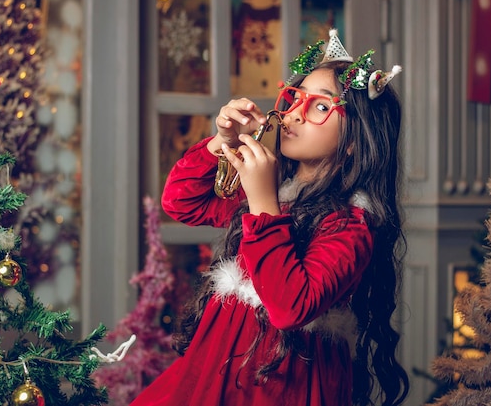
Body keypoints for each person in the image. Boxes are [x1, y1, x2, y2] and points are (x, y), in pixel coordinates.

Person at [130, 29, 409, 406]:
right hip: (220, 370)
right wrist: (222, 143)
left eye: (321, 106)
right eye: (296, 97)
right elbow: (181, 202)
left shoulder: (351, 225)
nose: (293, 113)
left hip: (282, 384)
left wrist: (262, 200)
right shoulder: (278, 190)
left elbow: (290, 305)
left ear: (355, 140)